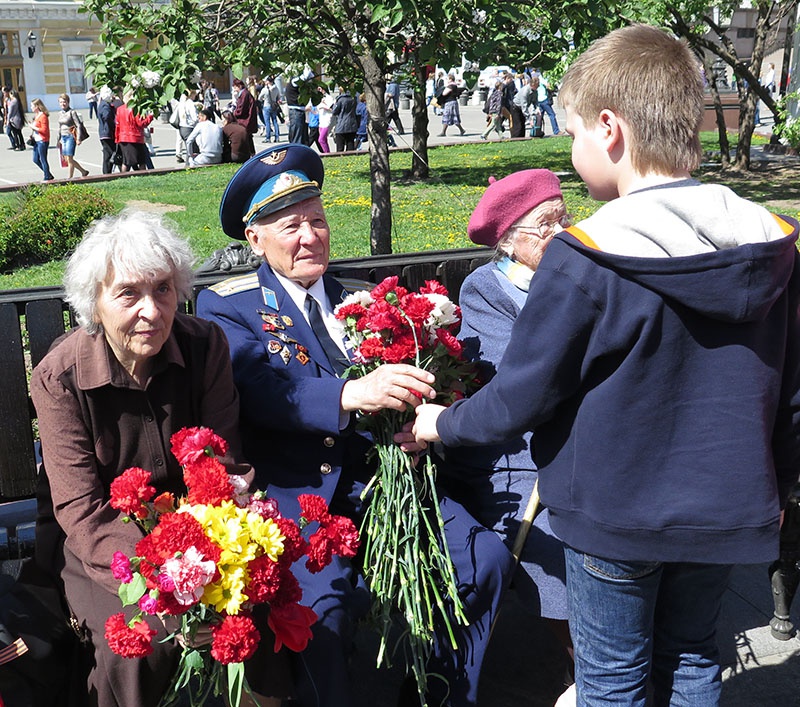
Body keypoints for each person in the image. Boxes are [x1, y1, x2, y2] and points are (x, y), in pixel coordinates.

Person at [410, 24, 800, 707]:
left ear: (610, 129)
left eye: (574, 135)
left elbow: (524, 397)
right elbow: (792, 395)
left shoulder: (586, 253)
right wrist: (781, 491)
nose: (573, 151)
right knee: (692, 660)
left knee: (611, 680)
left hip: (613, 511)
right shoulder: (772, 240)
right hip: (727, 503)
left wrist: (444, 422)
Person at [196, 144, 512, 707]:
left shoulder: (365, 298)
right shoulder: (229, 308)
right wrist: (351, 392)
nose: (309, 236)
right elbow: (260, 390)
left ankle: (438, 698)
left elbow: (424, 380)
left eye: (316, 220)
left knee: (484, 560)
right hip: (301, 501)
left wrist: (420, 417)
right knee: (323, 613)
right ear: (255, 240)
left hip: (392, 486)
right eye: (290, 226)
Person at [31, 210, 289, 707]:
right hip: (108, 550)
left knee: (253, 614)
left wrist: (216, 565)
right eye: (128, 293)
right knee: (133, 644)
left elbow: (224, 468)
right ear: (95, 302)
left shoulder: (202, 345)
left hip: (204, 538)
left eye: (164, 289)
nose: (152, 310)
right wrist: (171, 580)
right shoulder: (59, 378)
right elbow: (82, 512)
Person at [441, 169, 574, 696]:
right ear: (511, 241)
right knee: (560, 548)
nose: (563, 231)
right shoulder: (487, 289)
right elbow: (521, 384)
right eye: (546, 224)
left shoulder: (580, 271)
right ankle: (585, 663)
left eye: (565, 216)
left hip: (575, 442)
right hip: (514, 455)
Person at [114, 94, 153, 172]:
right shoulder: (135, 109)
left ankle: (124, 176)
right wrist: (150, 117)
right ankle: (142, 176)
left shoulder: (119, 109)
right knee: (141, 161)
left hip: (123, 138)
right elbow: (141, 123)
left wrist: (117, 138)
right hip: (135, 137)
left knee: (126, 161)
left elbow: (118, 125)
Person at [57, 94, 89, 179]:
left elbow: (78, 125)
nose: (63, 104)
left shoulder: (72, 112)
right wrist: (58, 140)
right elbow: (59, 127)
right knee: (66, 159)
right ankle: (83, 171)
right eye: (61, 102)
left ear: (68, 102)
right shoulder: (60, 113)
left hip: (70, 136)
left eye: (64, 102)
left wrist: (78, 138)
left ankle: (70, 177)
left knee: (70, 158)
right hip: (63, 137)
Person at [28, 98, 54, 181]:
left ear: (37, 106)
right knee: (35, 159)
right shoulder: (36, 116)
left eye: (32, 106)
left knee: (43, 159)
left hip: (43, 141)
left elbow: (44, 130)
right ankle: (48, 174)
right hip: (37, 140)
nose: (31, 107)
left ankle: (47, 177)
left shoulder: (43, 116)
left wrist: (33, 127)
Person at [233, 77, 259, 153]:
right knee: (248, 138)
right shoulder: (244, 93)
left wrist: (234, 112)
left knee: (246, 138)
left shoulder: (244, 94)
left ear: (239, 86)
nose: (234, 89)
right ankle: (251, 154)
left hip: (245, 121)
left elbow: (241, 109)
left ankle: (249, 154)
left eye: (235, 87)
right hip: (247, 120)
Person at [97, 86, 117, 174]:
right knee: (110, 154)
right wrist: (112, 125)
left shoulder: (102, 103)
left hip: (104, 132)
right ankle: (107, 172)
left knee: (107, 153)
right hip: (107, 133)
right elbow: (107, 116)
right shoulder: (105, 105)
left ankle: (107, 172)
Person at [174, 89, 198, 163]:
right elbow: (194, 118)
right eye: (194, 94)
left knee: (188, 146)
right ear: (191, 95)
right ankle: (190, 163)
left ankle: (188, 162)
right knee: (192, 148)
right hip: (189, 127)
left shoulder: (182, 103)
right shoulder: (190, 103)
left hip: (182, 127)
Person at [534, 71, 561, 136]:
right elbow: (549, 86)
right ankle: (556, 131)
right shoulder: (543, 79)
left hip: (539, 100)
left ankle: (537, 131)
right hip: (544, 99)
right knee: (552, 115)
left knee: (539, 117)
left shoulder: (539, 78)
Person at [259, 77, 282, 143]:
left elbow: (259, 98)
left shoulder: (265, 90)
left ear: (268, 82)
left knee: (267, 122)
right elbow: (279, 98)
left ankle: (268, 138)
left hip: (266, 106)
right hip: (274, 106)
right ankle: (277, 137)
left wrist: (263, 99)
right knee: (275, 121)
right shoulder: (276, 88)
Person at [4, 87, 25, 151]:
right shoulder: (17, 101)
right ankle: (22, 145)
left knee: (15, 133)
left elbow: (10, 112)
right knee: (19, 133)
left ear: (12, 94)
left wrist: (8, 120)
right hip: (18, 118)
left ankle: (18, 146)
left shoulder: (13, 102)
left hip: (14, 120)